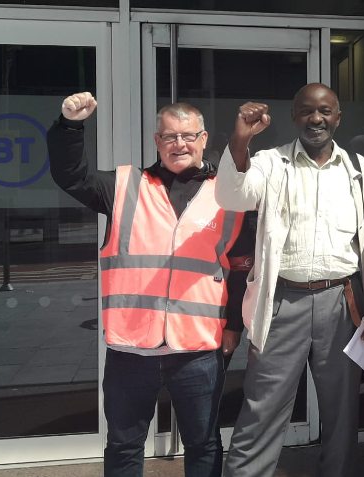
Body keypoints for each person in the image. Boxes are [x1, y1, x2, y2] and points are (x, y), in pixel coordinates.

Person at [46, 92, 254, 477]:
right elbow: (71, 175)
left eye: (188, 136)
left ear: (204, 138)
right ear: (157, 141)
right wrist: (69, 126)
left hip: (198, 347)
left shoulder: (227, 196)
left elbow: (241, 269)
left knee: (204, 443)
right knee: (124, 446)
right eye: (170, 136)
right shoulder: (123, 185)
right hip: (131, 348)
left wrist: (235, 327)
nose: (180, 144)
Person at [214, 83, 364, 477]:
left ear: (338, 118)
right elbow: (231, 195)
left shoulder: (359, 171)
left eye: (325, 112)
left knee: (341, 416)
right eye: (307, 111)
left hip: (342, 303)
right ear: (295, 116)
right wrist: (241, 139)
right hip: (281, 302)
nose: (316, 119)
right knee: (262, 408)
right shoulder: (270, 163)